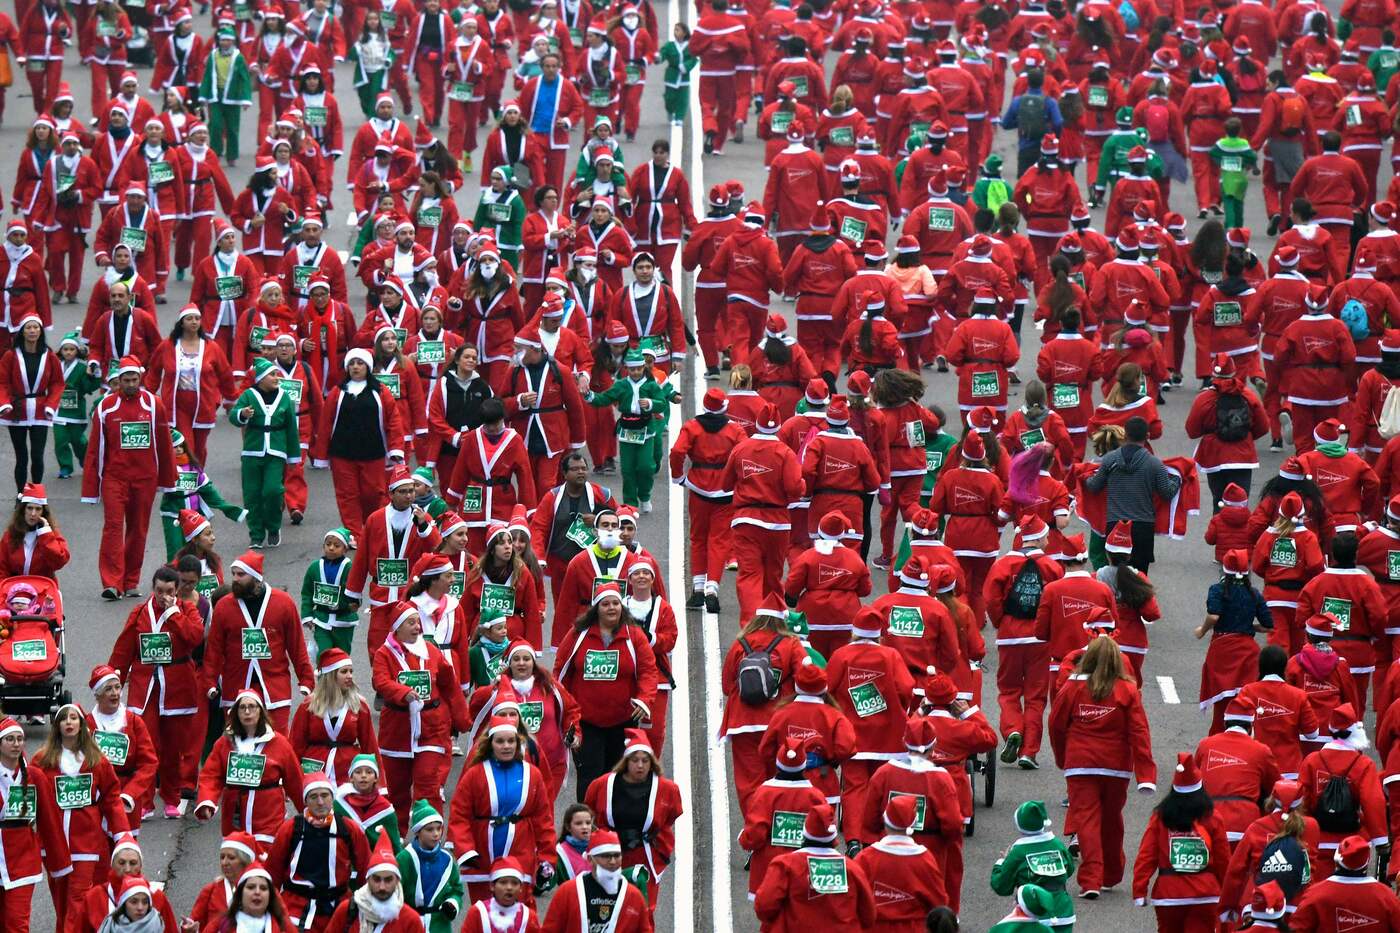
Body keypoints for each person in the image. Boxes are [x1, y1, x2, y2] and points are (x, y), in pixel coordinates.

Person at [1049, 634, 1157, 899]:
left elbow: (1056, 724)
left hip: (1081, 764)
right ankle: (1110, 873)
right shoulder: (1127, 689)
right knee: (1111, 820)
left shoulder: (1073, 686)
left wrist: (1063, 758)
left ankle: (1092, 880)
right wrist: (1146, 775)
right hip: (1116, 766)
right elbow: (1139, 731)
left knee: (1086, 820)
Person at [107, 564, 204, 819]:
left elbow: (195, 638)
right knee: (147, 748)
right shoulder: (139, 613)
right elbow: (124, 648)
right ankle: (145, 801)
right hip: (145, 687)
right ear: (153, 588)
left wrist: (173, 613)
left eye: (169, 591)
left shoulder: (186, 610)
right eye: (160, 590)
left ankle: (171, 798)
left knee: (174, 748)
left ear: (176, 590)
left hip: (178, 688)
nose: (164, 596)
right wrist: (112, 678)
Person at [82, 356, 178, 600]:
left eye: (135, 379)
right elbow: (95, 449)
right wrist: (92, 488)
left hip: (144, 479)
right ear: (118, 380)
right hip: (115, 478)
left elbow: (165, 444)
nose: (131, 384)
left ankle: (130, 580)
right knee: (113, 527)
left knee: (138, 529)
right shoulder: (105, 407)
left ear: (141, 378)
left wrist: (168, 479)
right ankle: (112, 583)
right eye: (126, 380)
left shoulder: (154, 405)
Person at [371, 601, 470, 829]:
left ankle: (429, 835)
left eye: (418, 622)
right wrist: (402, 693)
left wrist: (462, 718)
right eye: (411, 623)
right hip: (397, 730)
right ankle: (396, 836)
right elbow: (381, 681)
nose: (417, 627)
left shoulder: (431, 651)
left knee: (428, 784)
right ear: (397, 628)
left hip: (432, 728)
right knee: (397, 789)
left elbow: (449, 686)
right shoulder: (384, 654)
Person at [30, 701, 129, 924]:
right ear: (57, 726)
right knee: (61, 900)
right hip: (53, 842)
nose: (69, 722)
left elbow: (111, 799)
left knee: (78, 897)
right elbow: (27, 794)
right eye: (64, 718)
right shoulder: (42, 760)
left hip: (86, 842)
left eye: (74, 718)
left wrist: (122, 833)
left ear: (82, 724)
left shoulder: (97, 761)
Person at [203, 551, 315, 734]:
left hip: (274, 685)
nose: (235, 579)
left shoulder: (283, 603)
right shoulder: (224, 606)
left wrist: (307, 680)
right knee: (238, 742)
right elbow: (214, 649)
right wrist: (210, 682)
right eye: (234, 574)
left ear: (255, 577)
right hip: (236, 684)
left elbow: (296, 645)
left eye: (241, 574)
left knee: (276, 740)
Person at [447, 716, 555, 905]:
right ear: (491, 744)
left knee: (521, 912)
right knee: (485, 914)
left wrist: (547, 856)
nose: (506, 746)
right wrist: (466, 850)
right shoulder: (475, 774)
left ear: (518, 743)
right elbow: (459, 815)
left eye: (511, 741)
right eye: (500, 741)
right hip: (483, 854)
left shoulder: (533, 774)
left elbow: (543, 819)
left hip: (521, 849)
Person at [194, 689, 304, 845]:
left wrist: (309, 812)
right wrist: (207, 800)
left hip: (268, 814)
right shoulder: (225, 743)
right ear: (236, 712)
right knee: (236, 861)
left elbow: (295, 781)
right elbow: (211, 775)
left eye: (252, 707)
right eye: (242, 707)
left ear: (261, 711)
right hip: (234, 816)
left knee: (267, 861)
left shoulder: (278, 743)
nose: (247, 712)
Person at [264, 771, 371, 930]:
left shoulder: (348, 828)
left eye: (325, 795)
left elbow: (366, 868)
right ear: (306, 801)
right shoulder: (292, 828)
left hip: (339, 906)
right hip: (296, 906)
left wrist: (366, 903)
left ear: (332, 798)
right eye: (314, 797)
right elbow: (273, 871)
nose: (320, 802)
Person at [1082, 415, 1181, 572]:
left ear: (1125, 435)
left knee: (1114, 573)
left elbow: (1094, 487)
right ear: (1147, 437)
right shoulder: (1155, 464)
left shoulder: (1109, 460)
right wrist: (1177, 479)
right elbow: (1167, 493)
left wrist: (1086, 477)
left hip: (1114, 525)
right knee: (1139, 577)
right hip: (1143, 527)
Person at [288, 649, 378, 789]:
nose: (349, 676)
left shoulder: (359, 705)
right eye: (344, 672)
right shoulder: (309, 705)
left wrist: (379, 783)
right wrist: (289, 782)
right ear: (330, 676)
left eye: (351, 671)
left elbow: (370, 745)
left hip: (347, 771)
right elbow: (295, 744)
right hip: (314, 770)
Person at [83, 666, 157, 830]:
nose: (115, 693)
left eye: (117, 687)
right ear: (98, 694)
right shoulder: (87, 724)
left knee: (126, 851)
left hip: (126, 796)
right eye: (108, 689)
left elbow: (149, 763)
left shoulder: (134, 722)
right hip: (97, 797)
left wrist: (130, 793)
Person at [538, 829, 651, 932]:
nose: (612, 861)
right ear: (590, 859)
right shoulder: (568, 891)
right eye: (605, 856)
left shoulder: (633, 896)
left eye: (617, 856)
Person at [990, 801, 1076, 930]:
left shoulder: (1017, 852)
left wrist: (1001, 862)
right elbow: (1069, 869)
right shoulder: (1057, 844)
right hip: (1063, 911)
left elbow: (1002, 886)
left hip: (1033, 914)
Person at [0, 314, 61, 490]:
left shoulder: (49, 355)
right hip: (17, 410)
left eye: (36, 327)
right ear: (22, 332)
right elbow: (2, 381)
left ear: (41, 331)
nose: (33, 331)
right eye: (29, 327)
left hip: (41, 410)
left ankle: (36, 494)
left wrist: (51, 405)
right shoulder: (10, 356)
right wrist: (4, 403)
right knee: (21, 457)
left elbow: (58, 382)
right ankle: (21, 496)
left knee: (37, 455)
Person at [1291, 835, 1400, 929]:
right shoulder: (1386, 897)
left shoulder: (1315, 894)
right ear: (1366, 864)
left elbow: (1298, 928)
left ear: (1337, 862)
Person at [299, 528, 359, 656]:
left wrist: (354, 603)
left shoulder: (349, 567)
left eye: (337, 546)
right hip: (321, 619)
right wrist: (307, 615)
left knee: (342, 656)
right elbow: (307, 593)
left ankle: (342, 675)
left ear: (345, 549)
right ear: (323, 546)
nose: (331, 548)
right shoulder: (314, 567)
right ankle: (323, 675)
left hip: (343, 620)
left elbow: (355, 588)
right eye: (328, 544)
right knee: (324, 653)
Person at [332, 755, 400, 852]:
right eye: (358, 772)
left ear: (376, 778)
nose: (363, 775)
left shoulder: (386, 810)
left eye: (369, 772)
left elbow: (395, 845)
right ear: (351, 778)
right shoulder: (339, 804)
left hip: (376, 862)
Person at [0, 484, 68, 578]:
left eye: (38, 509)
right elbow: (2, 568)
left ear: (43, 512)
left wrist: (45, 535)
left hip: (43, 587)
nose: (33, 513)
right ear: (23, 510)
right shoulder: (10, 535)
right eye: (29, 508)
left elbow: (59, 562)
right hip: (15, 588)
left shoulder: (50, 534)